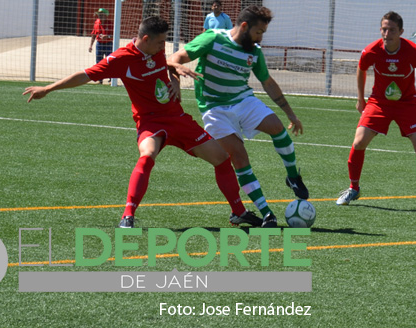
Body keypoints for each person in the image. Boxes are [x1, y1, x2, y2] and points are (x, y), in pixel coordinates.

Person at [23, 16, 266, 229]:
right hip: (150, 122)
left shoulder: (156, 51)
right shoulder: (121, 59)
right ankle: (128, 216)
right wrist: (48, 88)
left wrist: (174, 77)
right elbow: (85, 75)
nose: (164, 47)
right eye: (161, 42)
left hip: (178, 118)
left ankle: (238, 212)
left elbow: (164, 63)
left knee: (222, 158)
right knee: (147, 156)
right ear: (146, 39)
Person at [168, 5, 309, 228]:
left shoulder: (254, 52)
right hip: (214, 109)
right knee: (240, 158)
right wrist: (176, 66)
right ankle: (267, 214)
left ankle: (292, 177)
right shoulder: (212, 39)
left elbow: (268, 82)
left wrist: (291, 114)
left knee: (278, 128)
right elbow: (177, 56)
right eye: (258, 32)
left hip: (243, 100)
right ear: (244, 26)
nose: (260, 37)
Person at [336, 11, 416, 213]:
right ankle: (353, 188)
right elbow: (361, 69)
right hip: (379, 103)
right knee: (359, 141)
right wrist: (360, 98)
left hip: (407, 104)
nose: (387, 34)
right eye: (384, 29)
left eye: (392, 30)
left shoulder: (413, 51)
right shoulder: (371, 50)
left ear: (401, 32)